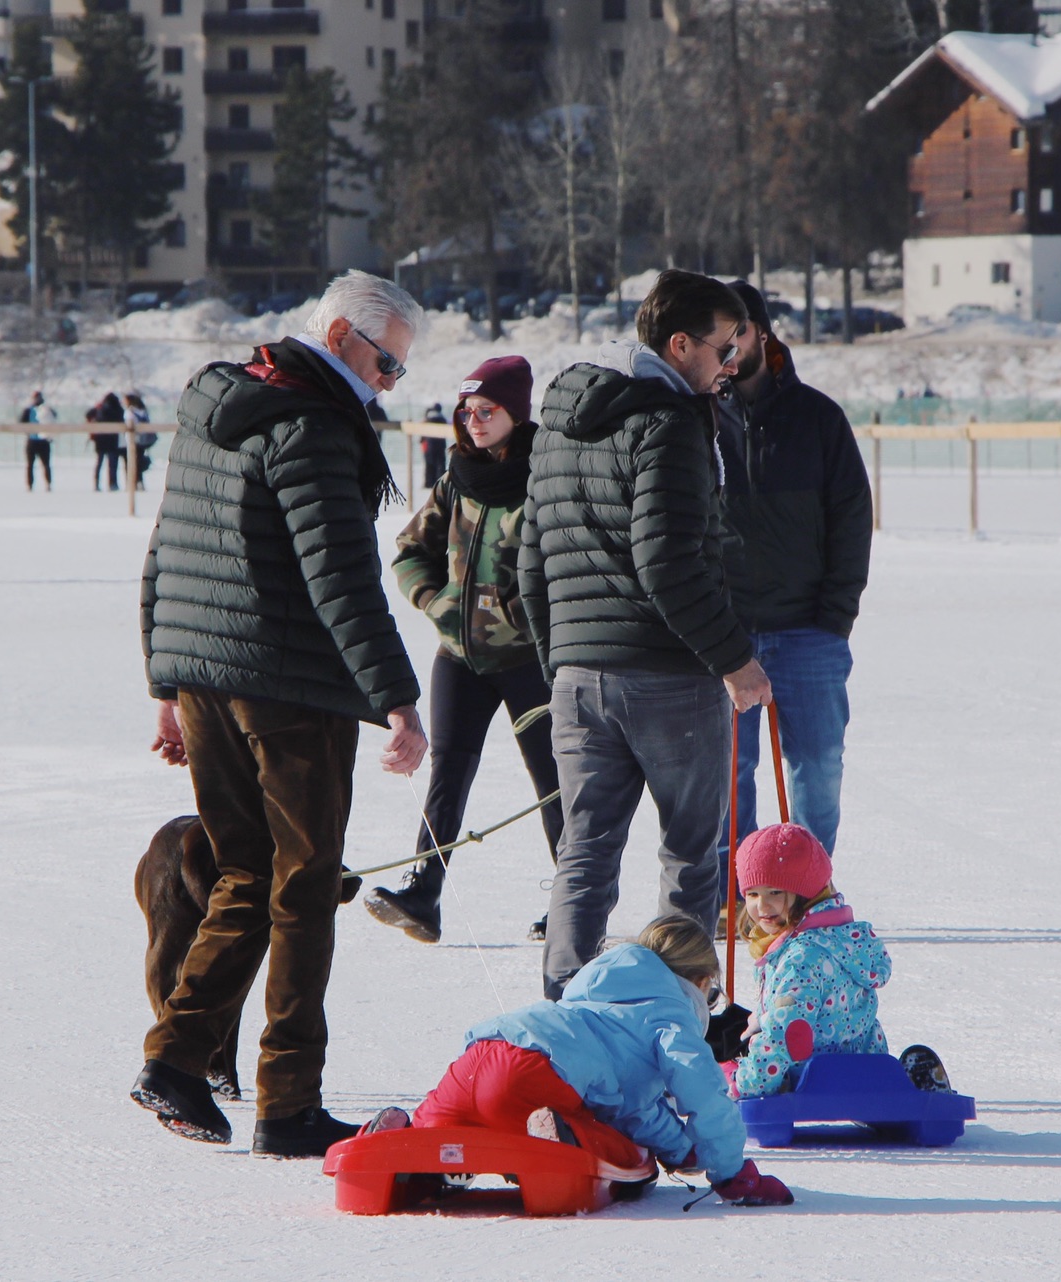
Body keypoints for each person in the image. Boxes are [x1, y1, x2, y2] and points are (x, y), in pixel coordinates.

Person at [131, 269, 430, 1158]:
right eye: (384, 364)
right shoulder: (315, 425)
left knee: (246, 878)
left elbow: (164, 552)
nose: (386, 385)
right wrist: (397, 699)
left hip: (207, 678)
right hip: (289, 685)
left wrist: (165, 682)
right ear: (338, 338)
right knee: (303, 893)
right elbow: (340, 575)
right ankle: (288, 1102)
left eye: (398, 374)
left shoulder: (217, 404)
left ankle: (179, 1061)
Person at [519, 268, 772, 1000]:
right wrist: (734, 660)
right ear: (681, 344)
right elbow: (667, 563)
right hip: (668, 675)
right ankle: (679, 1008)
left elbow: (529, 559)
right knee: (692, 855)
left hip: (577, 675)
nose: (728, 367)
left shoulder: (557, 427)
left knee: (585, 850)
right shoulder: (670, 423)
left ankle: (566, 1007)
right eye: (723, 349)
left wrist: (559, 657)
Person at [359, 915, 793, 1207]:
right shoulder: (670, 1011)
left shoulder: (592, 991)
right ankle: (557, 1136)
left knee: (438, 1138)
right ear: (699, 982)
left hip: (481, 1054)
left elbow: (642, 1105)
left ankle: (393, 1139)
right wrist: (727, 1169)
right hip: (538, 1080)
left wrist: (683, 1151)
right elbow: (683, 1094)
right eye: (709, 995)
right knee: (621, 1150)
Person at [370, 356, 563, 945]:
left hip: (529, 663)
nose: (474, 421)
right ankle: (424, 891)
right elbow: (407, 551)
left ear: (516, 414)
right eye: (467, 411)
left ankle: (574, 901)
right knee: (448, 772)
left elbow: (567, 569)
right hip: (460, 658)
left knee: (553, 779)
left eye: (487, 411)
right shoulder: (457, 479)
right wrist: (437, 602)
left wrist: (525, 619)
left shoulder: (546, 482)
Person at [714, 282, 873, 905]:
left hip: (808, 632)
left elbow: (852, 519)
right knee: (728, 778)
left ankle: (806, 891)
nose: (728, 350)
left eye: (738, 334)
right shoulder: (695, 419)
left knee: (818, 772)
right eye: (717, 339)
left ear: (762, 332)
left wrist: (834, 618)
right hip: (723, 636)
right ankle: (739, 895)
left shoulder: (818, 417)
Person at [728, 823, 892, 1099]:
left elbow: (785, 1032)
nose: (762, 906)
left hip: (809, 1076)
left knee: (732, 1066)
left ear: (807, 894)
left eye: (775, 892)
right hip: (866, 1068)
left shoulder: (802, 957)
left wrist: (743, 1085)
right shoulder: (840, 938)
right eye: (753, 894)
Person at [21, 390, 57, 491]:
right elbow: (22, 422)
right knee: (30, 465)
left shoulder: (46, 409)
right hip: (32, 440)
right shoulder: (29, 410)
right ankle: (30, 485)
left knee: (46, 464)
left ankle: (48, 484)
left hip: (44, 440)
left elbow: (54, 418)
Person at [90, 391, 124, 491]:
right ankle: (113, 483)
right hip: (113, 440)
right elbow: (122, 421)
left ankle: (96, 483)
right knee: (113, 464)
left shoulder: (100, 408)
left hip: (100, 440)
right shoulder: (118, 409)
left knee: (99, 463)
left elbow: (89, 414)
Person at [124, 392, 157, 491]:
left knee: (132, 462)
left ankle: (133, 483)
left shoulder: (130, 412)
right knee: (139, 461)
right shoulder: (143, 411)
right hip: (143, 440)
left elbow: (130, 425)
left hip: (134, 440)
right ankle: (140, 482)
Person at [420, 400, 448, 488]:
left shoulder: (427, 419)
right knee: (440, 463)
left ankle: (428, 483)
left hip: (429, 445)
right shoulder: (443, 419)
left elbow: (423, 434)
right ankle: (441, 483)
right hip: (440, 445)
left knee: (429, 464)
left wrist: (422, 440)